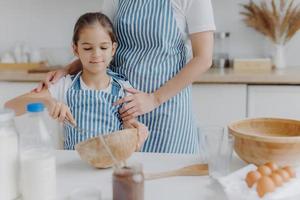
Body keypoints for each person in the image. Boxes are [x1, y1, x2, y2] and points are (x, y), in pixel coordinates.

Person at [36, 0, 215, 153]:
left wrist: (154, 99)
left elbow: (204, 58)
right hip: (120, 111)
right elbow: (100, 40)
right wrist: (67, 69)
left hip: (167, 111)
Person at [5, 12, 148, 150]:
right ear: (75, 49)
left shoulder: (124, 89)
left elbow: (131, 140)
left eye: (103, 47)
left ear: (113, 49)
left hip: (111, 167)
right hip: (73, 166)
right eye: (87, 48)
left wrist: (135, 134)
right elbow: (9, 106)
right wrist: (49, 103)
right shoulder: (64, 85)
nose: (96, 54)